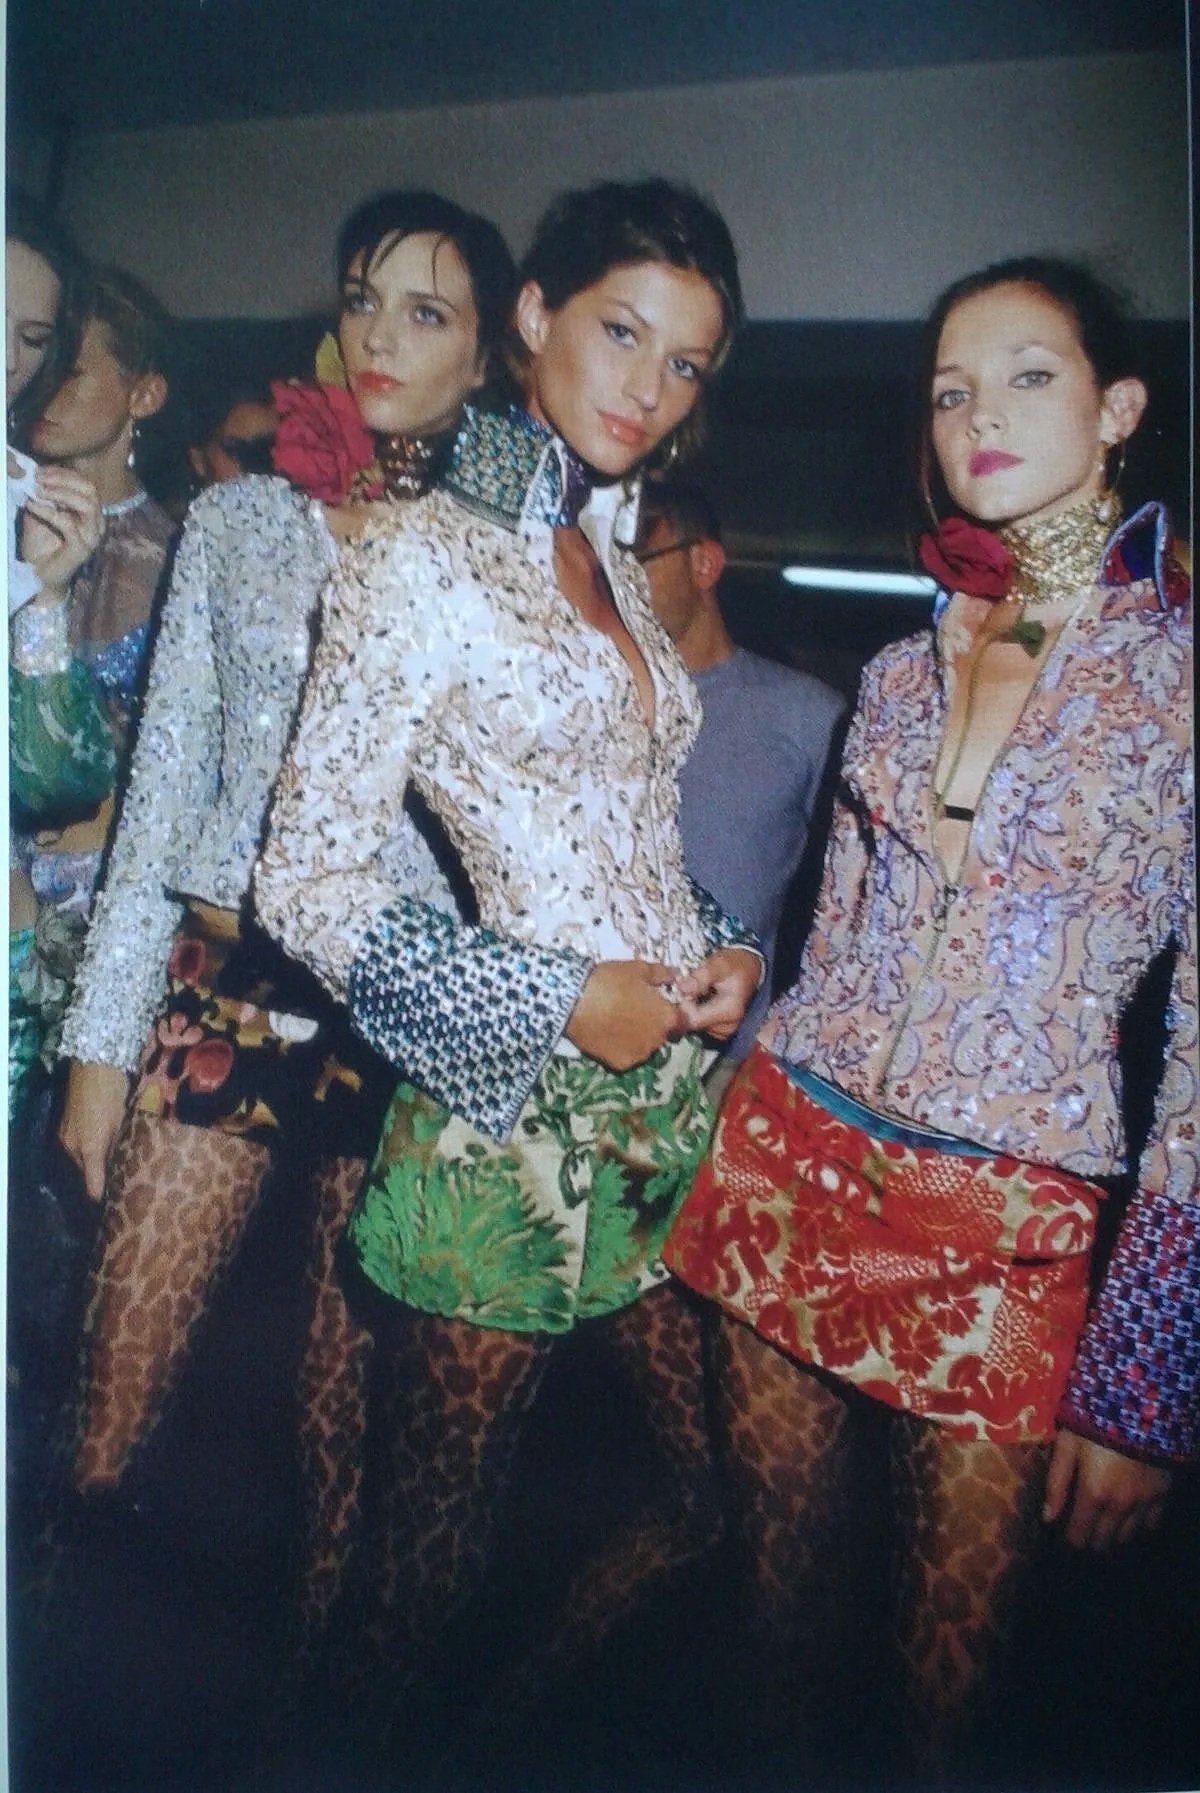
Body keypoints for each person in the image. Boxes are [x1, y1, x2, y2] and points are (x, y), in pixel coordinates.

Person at [664, 257, 1195, 1779]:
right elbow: (835, 937)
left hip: (1005, 1219)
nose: (978, 414)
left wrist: (1147, 1380)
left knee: (943, 1718)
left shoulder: (1178, 685)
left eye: (1029, 374)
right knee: (772, 1644)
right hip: (788, 1163)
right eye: (953, 387)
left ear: (1121, 409)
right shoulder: (898, 670)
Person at [253, 178, 760, 1748]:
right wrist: (554, 995)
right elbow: (305, 879)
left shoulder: (609, 556)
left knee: (706, 1499)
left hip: (662, 1098)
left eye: (684, 364)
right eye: (621, 332)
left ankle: (478, 1750)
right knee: (424, 1563)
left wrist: (718, 946)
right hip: (508, 1117)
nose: (647, 387)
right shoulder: (411, 560)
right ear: (533, 317)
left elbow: (622, 832)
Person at [55, 190, 516, 1660]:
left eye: (427, 313)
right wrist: (98, 1046)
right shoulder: (244, 521)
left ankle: (317, 1721)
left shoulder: (497, 556)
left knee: (344, 1433)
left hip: (401, 999)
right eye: (366, 296)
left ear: (489, 358)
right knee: (107, 1417)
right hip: (232, 974)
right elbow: (161, 793)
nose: (381, 335)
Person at [636, 478, 843, 1086]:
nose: (616, 582)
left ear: (704, 563)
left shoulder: (808, 716)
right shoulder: (586, 707)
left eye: (637, 561)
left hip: (727, 1067)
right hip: (587, 1048)